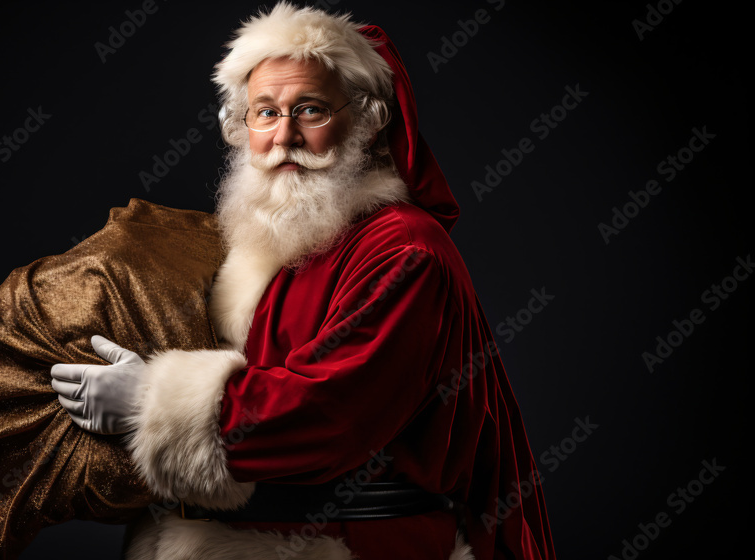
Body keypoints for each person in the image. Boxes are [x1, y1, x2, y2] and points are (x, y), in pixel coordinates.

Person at [49, 3, 556, 559]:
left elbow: (332, 413)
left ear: (365, 121)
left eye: (309, 110)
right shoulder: (264, 247)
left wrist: (151, 400)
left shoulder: (405, 250)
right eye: (264, 112)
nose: (283, 134)